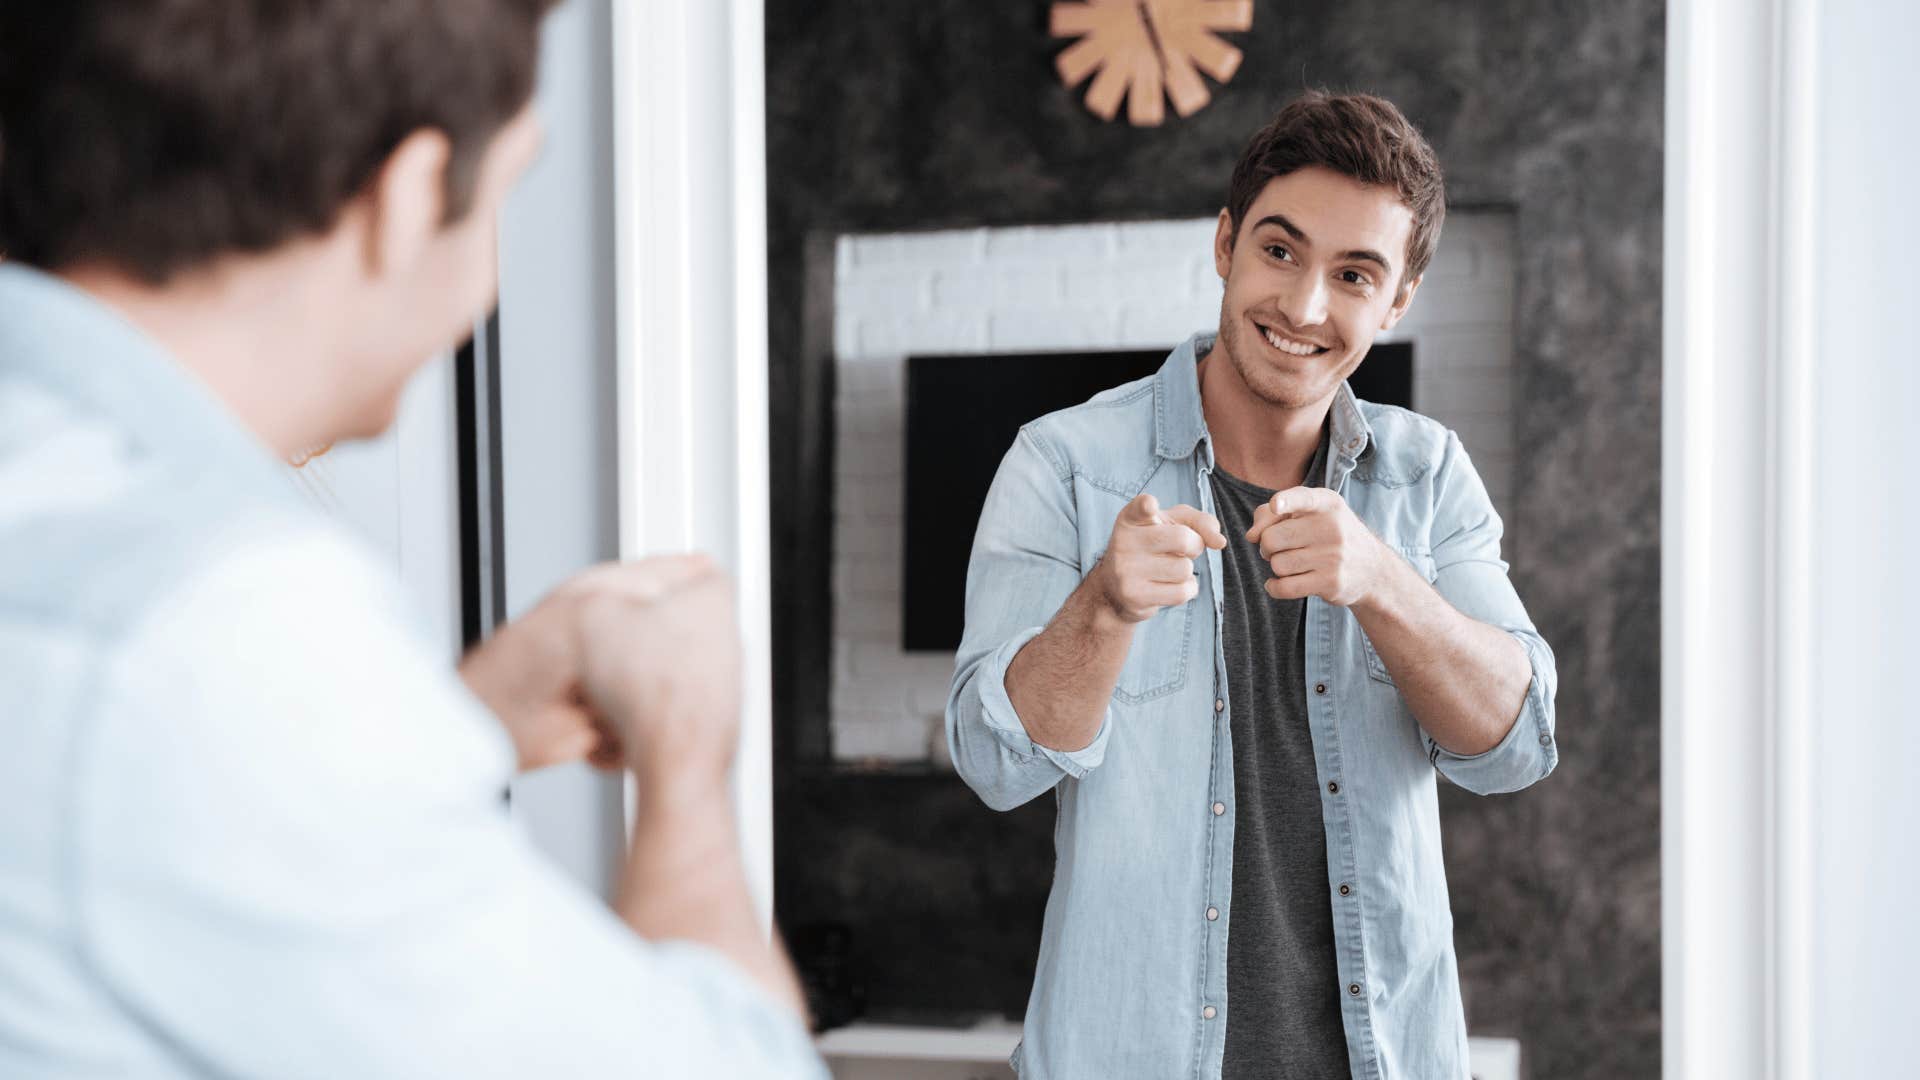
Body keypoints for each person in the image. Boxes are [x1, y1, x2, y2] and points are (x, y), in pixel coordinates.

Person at [0, 3, 823, 1076]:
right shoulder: (219, 626)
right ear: (409, 196)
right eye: (509, 187)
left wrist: (460, 719)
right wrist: (684, 762)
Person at [947, 92, 1558, 1079]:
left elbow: (1516, 744)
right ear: (1226, 243)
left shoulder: (1427, 474)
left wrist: (1383, 583)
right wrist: (1103, 606)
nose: (1305, 306)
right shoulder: (1062, 463)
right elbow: (995, 760)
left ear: (1396, 300)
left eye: (1354, 274)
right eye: (1281, 251)